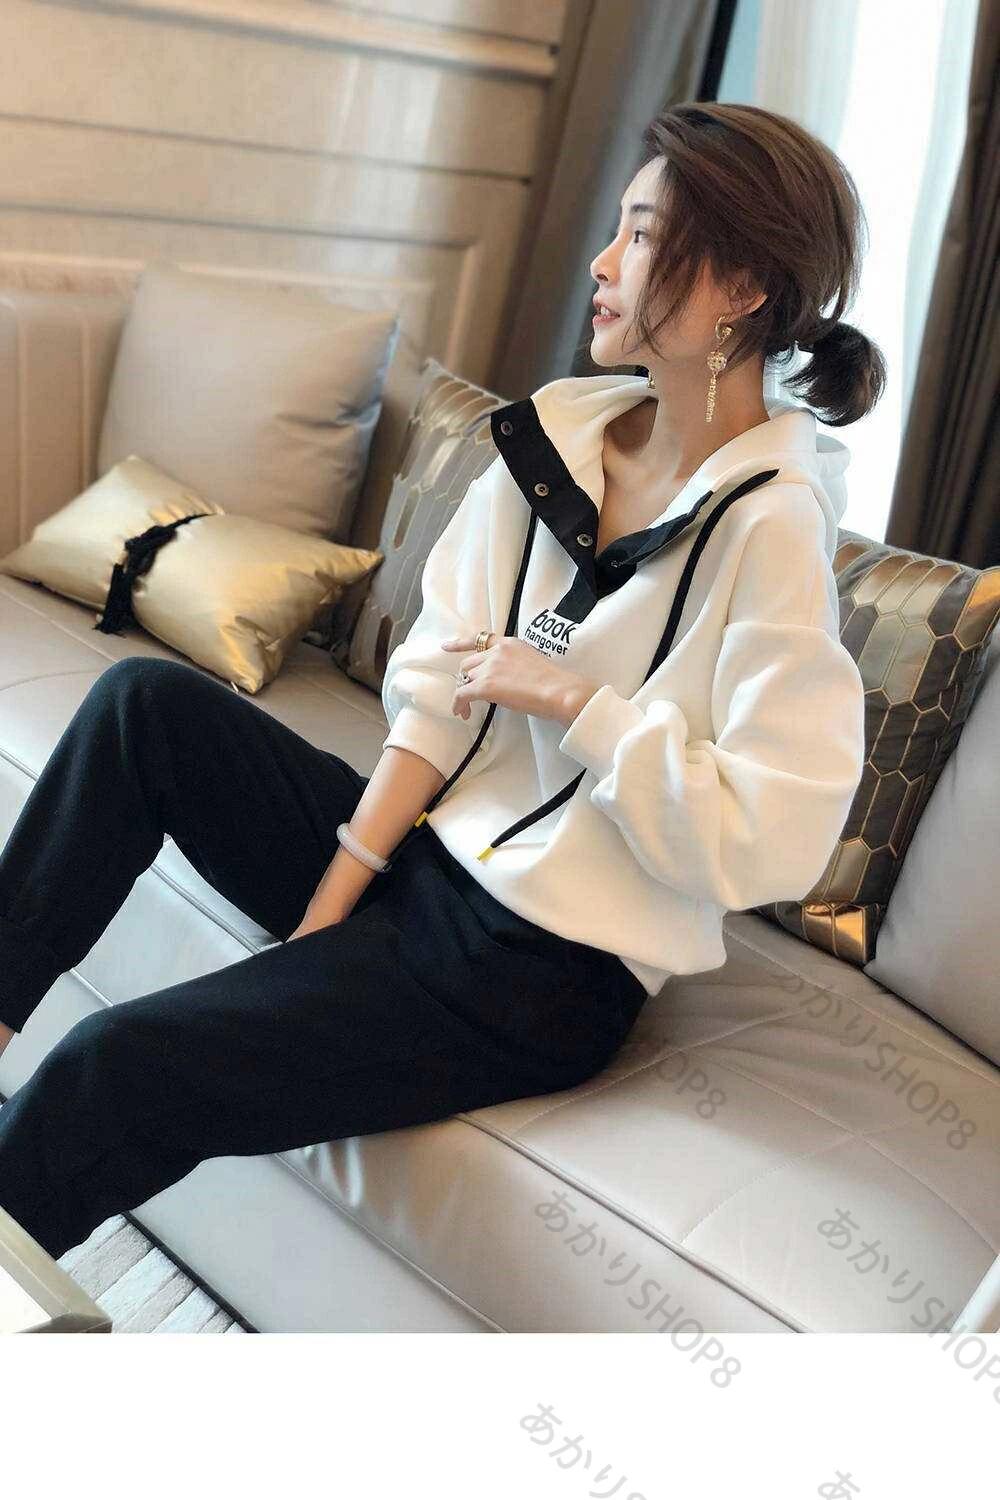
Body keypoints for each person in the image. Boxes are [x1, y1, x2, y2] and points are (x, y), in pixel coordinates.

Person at [0, 102, 881, 1263]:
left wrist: (580, 709)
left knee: (113, 1064)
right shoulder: (552, 442)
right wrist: (333, 902)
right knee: (141, 710)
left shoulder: (771, 528)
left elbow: (774, 833)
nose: (601, 264)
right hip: (419, 866)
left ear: (741, 287)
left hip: (536, 968)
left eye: (640, 236)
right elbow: (434, 697)